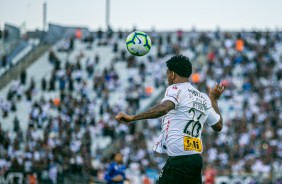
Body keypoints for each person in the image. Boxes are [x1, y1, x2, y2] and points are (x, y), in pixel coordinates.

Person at [115, 55, 224, 184]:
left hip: (179, 161)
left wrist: (133, 117)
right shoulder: (203, 98)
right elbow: (218, 125)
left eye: (167, 73)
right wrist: (214, 100)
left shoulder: (175, 89)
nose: (167, 77)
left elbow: (164, 108)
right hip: (195, 159)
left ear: (172, 74)